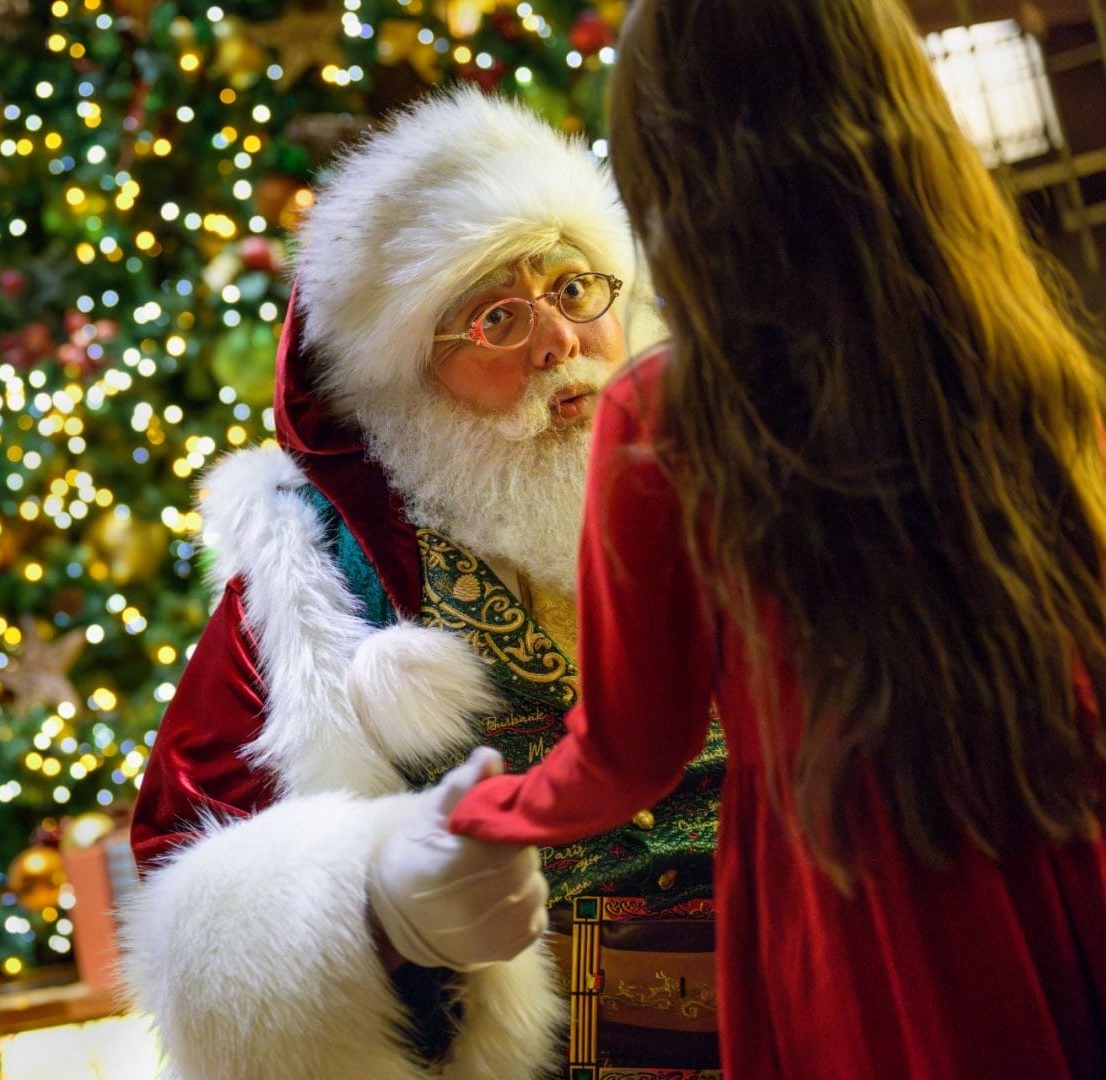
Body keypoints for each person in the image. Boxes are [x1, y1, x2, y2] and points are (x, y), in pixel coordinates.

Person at [447, 1, 1106, 1076]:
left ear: (677, 164)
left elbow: (630, 756)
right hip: (1067, 828)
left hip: (870, 899)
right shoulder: (1014, 347)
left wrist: (481, 810)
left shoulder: (672, 417)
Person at [123, 87, 723, 1078]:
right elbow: (187, 884)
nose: (558, 344)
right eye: (495, 317)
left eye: (574, 291)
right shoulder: (320, 585)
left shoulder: (742, 492)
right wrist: (370, 898)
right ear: (405, 384)